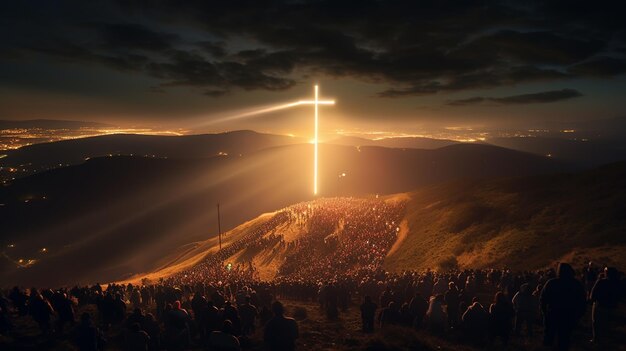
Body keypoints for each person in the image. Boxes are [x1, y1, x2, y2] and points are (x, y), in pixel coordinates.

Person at [540, 263, 586, 351]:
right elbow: (582, 301)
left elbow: (543, 299)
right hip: (569, 315)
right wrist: (579, 315)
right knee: (564, 338)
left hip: (553, 314)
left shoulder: (552, 283)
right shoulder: (576, 284)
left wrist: (544, 312)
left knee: (549, 337)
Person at [589, 267, 622, 344]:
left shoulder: (601, 282)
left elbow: (593, 294)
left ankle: (596, 339)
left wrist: (592, 300)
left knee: (596, 322)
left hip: (600, 306)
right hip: (611, 306)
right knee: (607, 323)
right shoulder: (618, 283)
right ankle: (606, 338)